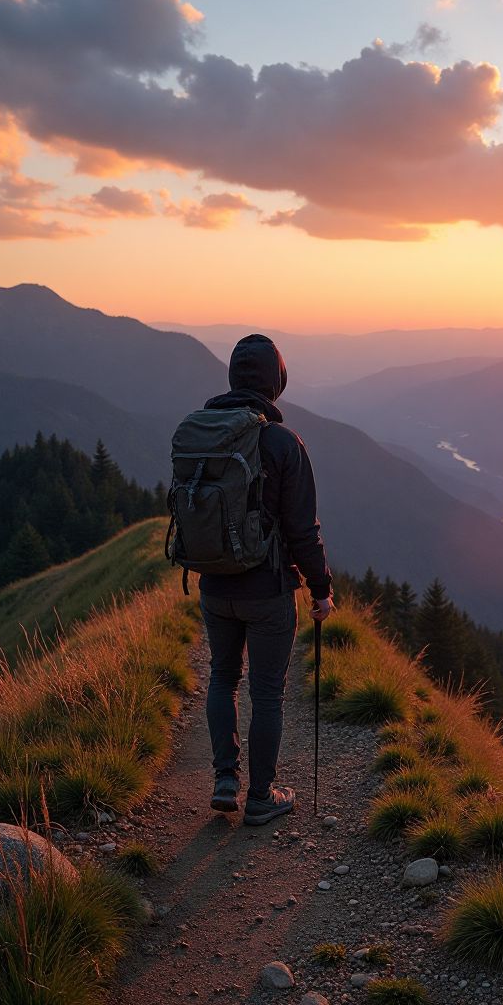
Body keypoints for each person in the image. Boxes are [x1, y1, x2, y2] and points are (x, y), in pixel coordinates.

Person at [197, 334, 333, 825]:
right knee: (267, 692)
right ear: (277, 381)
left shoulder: (203, 434)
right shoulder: (282, 443)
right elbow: (303, 531)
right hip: (268, 591)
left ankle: (225, 780)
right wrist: (321, 589)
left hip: (214, 585)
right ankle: (260, 797)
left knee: (222, 676)